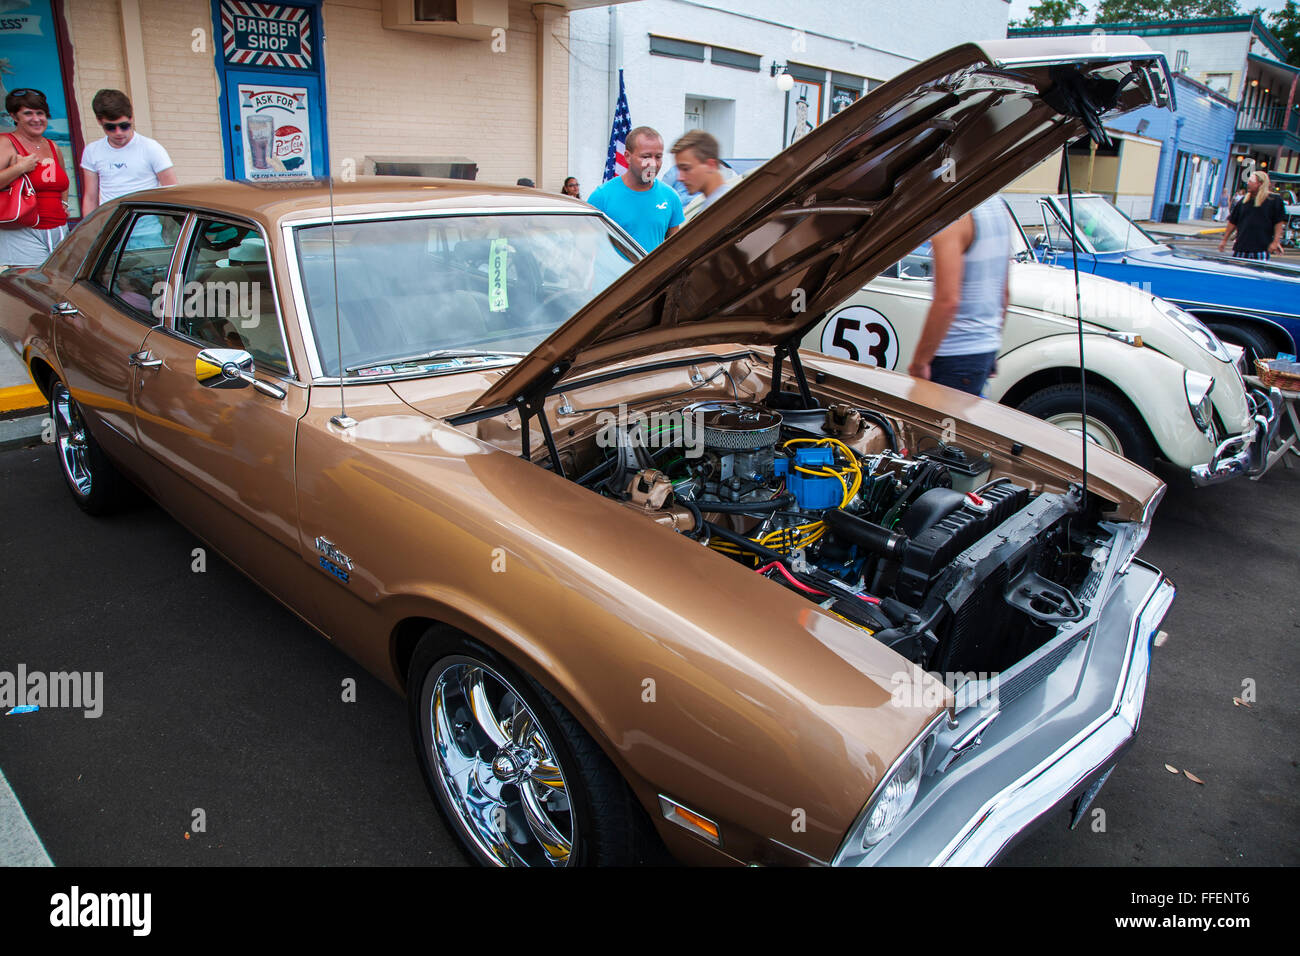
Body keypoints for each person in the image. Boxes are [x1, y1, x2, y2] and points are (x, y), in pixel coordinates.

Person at [907, 197, 1012, 396]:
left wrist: (920, 363)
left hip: (952, 355)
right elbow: (1004, 294)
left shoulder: (955, 214)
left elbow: (948, 302)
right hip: (983, 350)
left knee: (928, 425)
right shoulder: (998, 205)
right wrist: (990, 346)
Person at [0, 89, 70, 267]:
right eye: (28, 113)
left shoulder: (53, 146)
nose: (36, 118)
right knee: (33, 288)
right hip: (23, 232)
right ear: (14, 117)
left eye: (40, 113)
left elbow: (62, 182)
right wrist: (19, 168)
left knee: (60, 285)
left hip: (59, 228)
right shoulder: (6, 142)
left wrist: (64, 204)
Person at [586, 126, 683, 251]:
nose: (653, 164)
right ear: (627, 156)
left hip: (657, 271)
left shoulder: (670, 197)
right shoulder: (602, 197)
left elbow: (675, 250)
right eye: (646, 156)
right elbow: (587, 249)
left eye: (658, 157)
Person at [79, 89, 176, 213]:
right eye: (110, 127)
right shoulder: (92, 151)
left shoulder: (151, 148)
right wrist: (89, 230)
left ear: (131, 118)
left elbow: (172, 192)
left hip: (148, 228)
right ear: (99, 121)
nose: (118, 132)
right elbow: (90, 198)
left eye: (124, 126)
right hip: (110, 227)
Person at [1219, 170, 1285, 260]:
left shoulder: (1274, 200)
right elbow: (1233, 222)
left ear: (1260, 183)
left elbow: (1278, 223)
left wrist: (1275, 241)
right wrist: (1224, 240)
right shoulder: (1243, 201)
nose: (1248, 184)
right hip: (1241, 247)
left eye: (1251, 181)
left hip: (1261, 249)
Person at [670, 130, 734, 213]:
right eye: (679, 170)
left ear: (711, 165)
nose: (680, 178)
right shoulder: (714, 203)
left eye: (686, 169)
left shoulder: (721, 208)